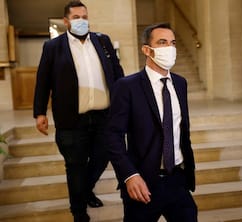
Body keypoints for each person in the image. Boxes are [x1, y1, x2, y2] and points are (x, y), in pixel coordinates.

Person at [33, 1, 124, 221]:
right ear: (66, 21)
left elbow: (117, 74)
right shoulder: (53, 47)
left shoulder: (102, 41)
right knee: (75, 165)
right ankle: (79, 211)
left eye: (84, 16)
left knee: (103, 157)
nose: (81, 21)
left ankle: (84, 191)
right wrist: (40, 113)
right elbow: (43, 81)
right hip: (72, 119)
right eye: (76, 17)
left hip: (104, 116)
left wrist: (125, 105)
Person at [106, 23, 198, 222]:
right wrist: (129, 175)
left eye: (173, 43)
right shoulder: (127, 86)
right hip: (143, 182)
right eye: (162, 42)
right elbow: (113, 136)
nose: (170, 48)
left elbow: (181, 131)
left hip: (177, 180)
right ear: (147, 50)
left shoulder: (180, 83)